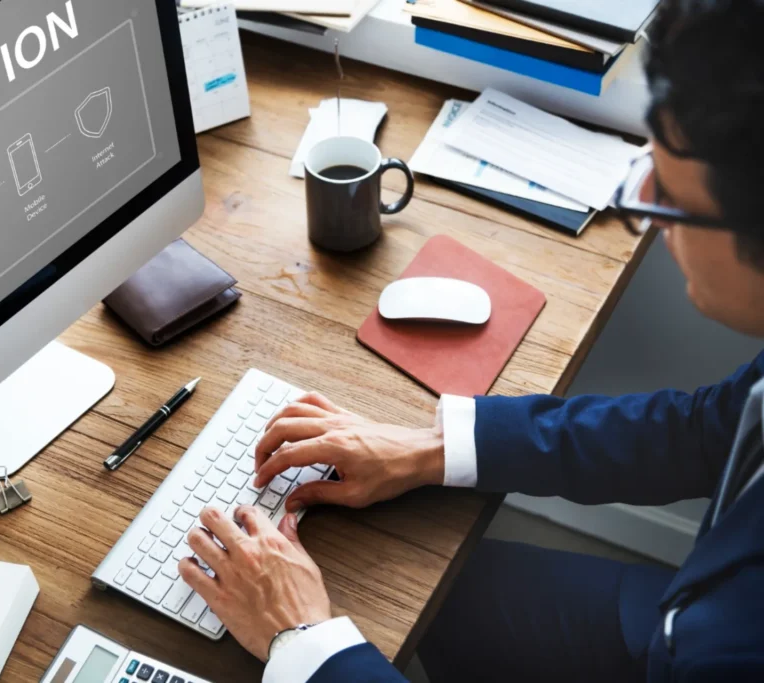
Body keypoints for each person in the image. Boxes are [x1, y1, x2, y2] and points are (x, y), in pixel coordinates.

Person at [177, 1, 764, 681]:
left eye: (669, 201)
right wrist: (432, 448)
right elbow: (703, 431)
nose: (652, 223)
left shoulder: (734, 652)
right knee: (443, 593)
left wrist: (304, 639)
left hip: (690, 642)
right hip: (682, 613)